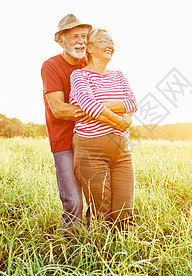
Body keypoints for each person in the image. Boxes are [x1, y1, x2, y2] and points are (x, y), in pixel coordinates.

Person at [69, 27, 137, 231]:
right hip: (91, 150)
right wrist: (118, 121)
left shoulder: (119, 75)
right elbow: (88, 103)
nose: (110, 46)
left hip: (121, 150)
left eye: (112, 42)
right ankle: (100, 259)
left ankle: (125, 258)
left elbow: (132, 103)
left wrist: (98, 105)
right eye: (104, 41)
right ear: (89, 48)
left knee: (125, 211)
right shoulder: (79, 76)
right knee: (102, 212)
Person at [41, 14, 92, 234]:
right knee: (73, 200)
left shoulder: (89, 64)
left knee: (96, 199)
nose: (81, 41)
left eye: (84, 36)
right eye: (74, 37)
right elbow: (59, 109)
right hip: (64, 142)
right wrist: (99, 113)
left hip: (92, 138)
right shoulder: (51, 66)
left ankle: (93, 246)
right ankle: (71, 252)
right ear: (61, 40)